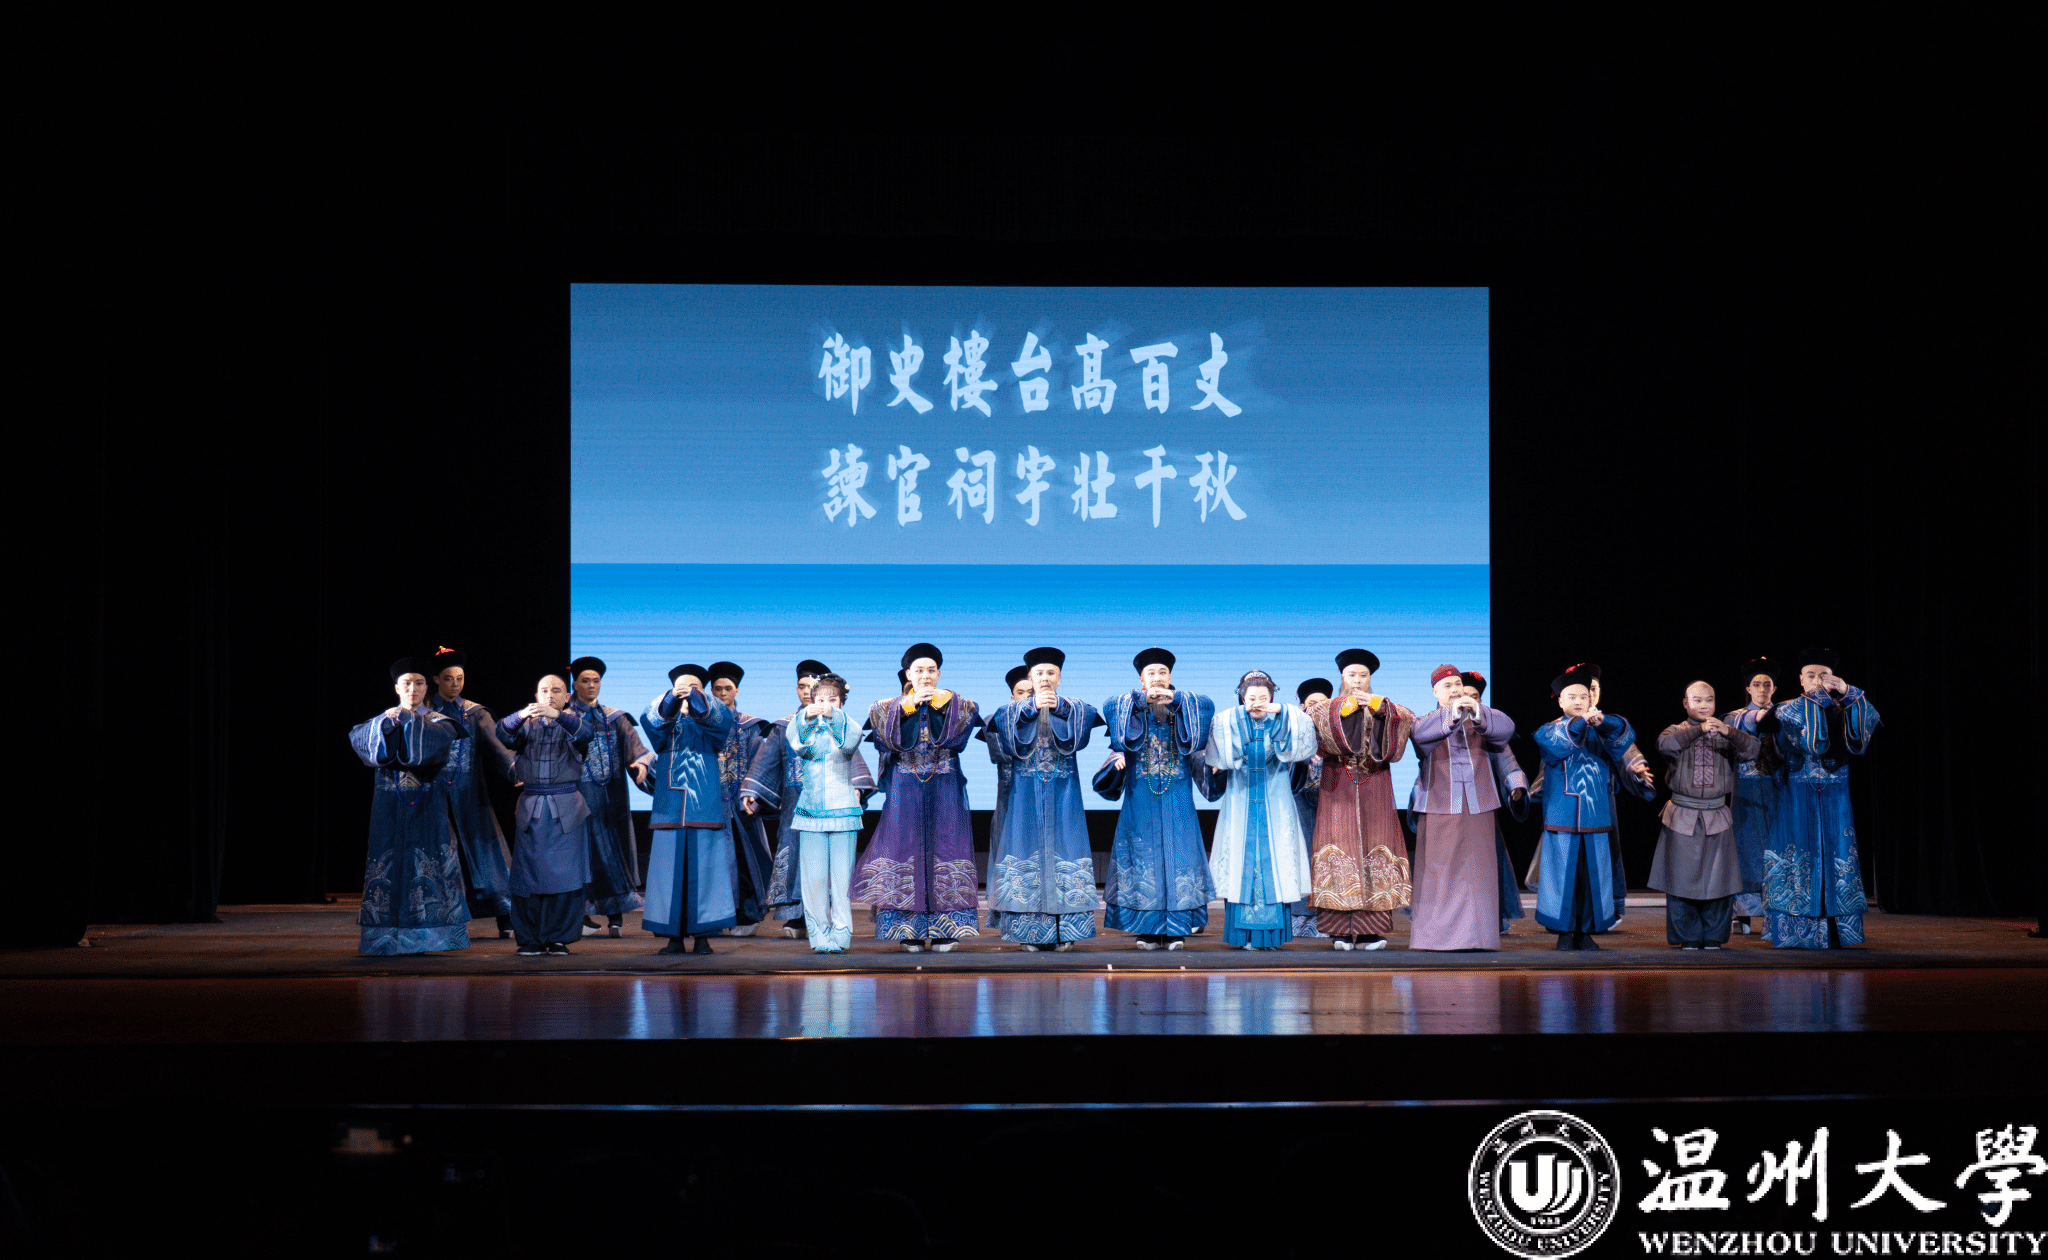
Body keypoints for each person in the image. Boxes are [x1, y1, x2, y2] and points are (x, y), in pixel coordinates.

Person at [853, 644, 983, 951]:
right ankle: (906, 928)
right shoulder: (886, 707)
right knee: (902, 848)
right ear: (907, 674)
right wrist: (909, 706)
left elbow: (961, 734)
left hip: (945, 788)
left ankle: (946, 929)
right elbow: (884, 739)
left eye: (931, 670)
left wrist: (939, 705)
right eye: (919, 670)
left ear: (939, 674)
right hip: (904, 789)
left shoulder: (957, 704)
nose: (925, 676)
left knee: (947, 848)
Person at [1095, 648, 1219, 950]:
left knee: (1180, 856)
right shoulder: (1129, 709)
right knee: (1142, 857)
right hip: (1141, 797)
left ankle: (1177, 929)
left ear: (1170, 677)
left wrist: (1173, 700)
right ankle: (1147, 930)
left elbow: (1207, 705)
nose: (1157, 678)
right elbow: (1109, 706)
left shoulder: (1185, 708)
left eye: (1163, 672)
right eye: (1151, 673)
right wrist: (1143, 700)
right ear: (1141, 680)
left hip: (1178, 796)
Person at [346, 658, 473, 956]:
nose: (412, 689)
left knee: (430, 863)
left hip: (428, 805)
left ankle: (436, 937)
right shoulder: (383, 720)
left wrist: (407, 720)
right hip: (389, 806)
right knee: (387, 865)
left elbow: (433, 745)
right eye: (406, 683)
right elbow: (359, 739)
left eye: (418, 683)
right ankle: (384, 939)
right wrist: (388, 723)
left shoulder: (441, 723)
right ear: (396, 688)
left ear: (427, 687)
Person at [1759, 648, 1880, 949]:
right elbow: (1805, 741)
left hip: (1836, 793)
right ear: (1801, 680)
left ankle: (1839, 931)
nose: (1817, 680)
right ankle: (1794, 931)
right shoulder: (1787, 709)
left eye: (1823, 675)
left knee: (1838, 853)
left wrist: (1849, 692)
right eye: (1810, 675)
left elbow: (1864, 732)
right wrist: (1819, 700)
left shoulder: (1844, 707)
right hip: (1797, 794)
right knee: (1797, 854)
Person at [745, 660, 876, 938]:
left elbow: (851, 754)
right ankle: (796, 916)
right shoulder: (785, 726)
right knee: (794, 852)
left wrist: (856, 785)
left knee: (828, 860)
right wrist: (752, 790)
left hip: (831, 801)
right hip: (796, 803)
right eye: (802, 687)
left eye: (812, 687)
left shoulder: (838, 723)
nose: (807, 692)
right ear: (797, 690)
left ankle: (827, 918)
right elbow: (767, 761)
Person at [987, 646, 1104, 950]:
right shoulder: (1014, 711)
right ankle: (1028, 934)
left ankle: (1068, 932)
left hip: (1064, 793)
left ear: (1059, 678)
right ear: (1030, 677)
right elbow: (1001, 722)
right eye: (1039, 673)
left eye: (1051, 672)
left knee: (1067, 852)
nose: (1045, 678)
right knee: (1023, 852)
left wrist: (1059, 705)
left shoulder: (1073, 708)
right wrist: (1031, 706)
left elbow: (1089, 714)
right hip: (1024, 796)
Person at [1304, 649, 1414, 950]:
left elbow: (1407, 718)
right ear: (1342, 676)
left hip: (1375, 783)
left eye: (1363, 675)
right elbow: (1313, 720)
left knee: (1377, 847)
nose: (1357, 680)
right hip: (1336, 784)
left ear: (1370, 678)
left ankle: (1371, 932)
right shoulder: (1328, 708)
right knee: (1337, 849)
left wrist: (1380, 708)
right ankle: (1339, 932)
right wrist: (1345, 709)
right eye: (1351, 674)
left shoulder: (1383, 706)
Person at [1407, 665, 1517, 951]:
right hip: (1440, 802)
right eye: (1447, 686)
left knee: (1478, 871)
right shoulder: (1426, 720)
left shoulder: (1482, 719)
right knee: (1440, 872)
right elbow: (1419, 737)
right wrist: (1453, 714)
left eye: (1458, 684)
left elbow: (1507, 729)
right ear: (1435, 692)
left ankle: (1478, 937)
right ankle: (1438, 938)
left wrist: (1476, 711)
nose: (1455, 689)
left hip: (1478, 803)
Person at [1206, 670, 1317, 949]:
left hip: (1275, 800)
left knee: (1275, 860)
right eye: (1251, 697)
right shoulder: (1231, 722)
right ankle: (1242, 934)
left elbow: (1303, 736)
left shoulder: (1282, 721)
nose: (1257, 703)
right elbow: (1220, 747)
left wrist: (1281, 711)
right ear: (1242, 698)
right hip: (1240, 799)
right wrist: (1241, 714)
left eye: (1263, 697)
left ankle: (1271, 935)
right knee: (1241, 861)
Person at [1532, 662, 1638, 950]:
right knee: (1562, 877)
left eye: (1584, 696)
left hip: (1595, 814)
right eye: (1572, 697)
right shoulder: (1549, 730)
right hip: (1561, 813)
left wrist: (1600, 722)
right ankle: (1563, 932)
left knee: (1593, 877)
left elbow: (1624, 736)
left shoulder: (1601, 729)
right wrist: (1583, 722)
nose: (1579, 701)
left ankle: (1586, 931)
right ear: (1560, 701)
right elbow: (1555, 748)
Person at [1650, 681, 1760, 949]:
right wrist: (1699, 730)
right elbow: (1665, 746)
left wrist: (1729, 731)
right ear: (1685, 704)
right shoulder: (1675, 730)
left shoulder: (1725, 733)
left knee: (1719, 880)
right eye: (1696, 700)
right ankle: (1687, 936)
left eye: (1709, 700)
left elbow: (1753, 750)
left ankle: (1713, 935)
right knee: (1680, 880)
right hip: (1683, 814)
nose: (1703, 705)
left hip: (1716, 814)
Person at [641, 664, 740, 955]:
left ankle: (703, 936)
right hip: (669, 807)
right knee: (668, 875)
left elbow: (720, 723)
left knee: (705, 873)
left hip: (703, 803)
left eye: (694, 685)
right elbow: (652, 724)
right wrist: (673, 698)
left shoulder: (713, 712)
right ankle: (672, 937)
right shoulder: (664, 715)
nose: (687, 689)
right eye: (682, 685)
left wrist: (695, 697)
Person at [498, 675, 596, 956]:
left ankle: (559, 938)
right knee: (527, 876)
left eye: (556, 690)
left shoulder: (575, 724)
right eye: (544, 690)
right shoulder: (526, 725)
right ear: (536, 695)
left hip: (566, 810)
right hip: (531, 808)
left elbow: (586, 734)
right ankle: (529, 938)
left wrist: (558, 716)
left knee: (565, 877)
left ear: (567, 697)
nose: (549, 695)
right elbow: (502, 733)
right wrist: (520, 715)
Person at [423, 647, 517, 938]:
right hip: (434, 797)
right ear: (436, 679)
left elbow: (498, 748)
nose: (455, 684)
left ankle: (505, 915)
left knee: (487, 855)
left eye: (460, 678)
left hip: (470, 796)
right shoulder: (424, 713)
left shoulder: (476, 713)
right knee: (442, 858)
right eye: (448, 678)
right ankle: (448, 919)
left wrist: (518, 771)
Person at [566, 656, 652, 938]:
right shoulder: (565, 717)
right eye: (585, 681)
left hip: (610, 798)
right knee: (580, 856)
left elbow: (636, 747)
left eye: (596, 681)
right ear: (575, 684)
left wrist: (640, 763)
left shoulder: (615, 718)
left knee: (614, 854)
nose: (591, 686)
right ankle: (582, 915)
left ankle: (616, 917)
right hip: (576, 798)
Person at [785, 673, 866, 953]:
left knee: (842, 881)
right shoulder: (806, 729)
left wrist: (833, 715)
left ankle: (841, 934)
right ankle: (819, 936)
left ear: (841, 702)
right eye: (820, 699)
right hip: (810, 813)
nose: (825, 704)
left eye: (833, 699)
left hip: (843, 812)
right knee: (814, 880)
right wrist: (806, 716)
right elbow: (796, 742)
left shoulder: (845, 726)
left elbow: (852, 740)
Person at [705, 662, 775, 937]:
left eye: (728, 688)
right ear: (711, 691)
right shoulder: (703, 723)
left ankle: (746, 915)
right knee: (713, 864)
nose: (723, 693)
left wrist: (751, 795)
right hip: (710, 804)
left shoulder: (749, 726)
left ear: (737, 690)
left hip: (740, 804)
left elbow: (760, 762)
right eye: (717, 689)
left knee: (745, 861)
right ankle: (715, 916)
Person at [1460, 671, 1530, 934]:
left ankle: (1492, 917)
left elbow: (1506, 760)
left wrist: (1516, 785)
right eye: (1463, 694)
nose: (1468, 699)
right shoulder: (1441, 724)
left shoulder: (1488, 728)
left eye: (1474, 696)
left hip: (1482, 804)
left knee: (1487, 863)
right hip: (1448, 805)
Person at [1723, 657, 1780, 933]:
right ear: (1748, 689)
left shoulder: (1783, 714)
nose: (1762, 689)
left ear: (1774, 688)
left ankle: (1775, 909)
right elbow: (1735, 726)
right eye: (1756, 684)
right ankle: (1742, 914)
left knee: (1775, 849)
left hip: (1777, 790)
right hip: (1745, 790)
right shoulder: (1734, 717)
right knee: (1744, 849)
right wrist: (1760, 717)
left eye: (1767, 684)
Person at [977, 663, 1033, 934]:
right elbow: (1001, 754)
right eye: (1021, 693)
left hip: (1043, 799)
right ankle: (1008, 915)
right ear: (1012, 697)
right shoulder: (996, 720)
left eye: (1032, 692)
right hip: (1010, 800)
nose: (1027, 697)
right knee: (1008, 854)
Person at [1286, 679, 1333, 939]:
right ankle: (1299, 917)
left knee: (1328, 856)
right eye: (1312, 703)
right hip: (1299, 799)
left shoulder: (1336, 729)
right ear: (1302, 706)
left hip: (1331, 800)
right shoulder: (1292, 729)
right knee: (1300, 855)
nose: (1317, 708)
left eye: (1323, 703)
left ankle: (1327, 916)